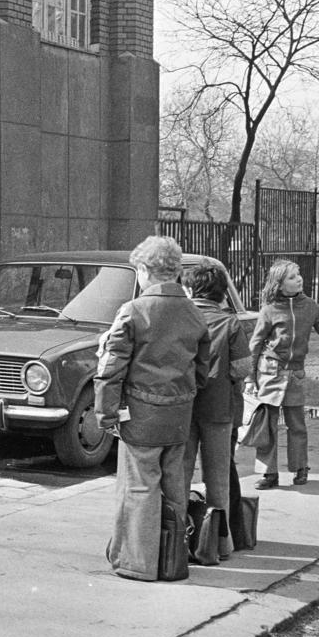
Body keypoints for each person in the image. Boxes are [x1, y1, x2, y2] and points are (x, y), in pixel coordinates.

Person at [94, 236, 213, 581]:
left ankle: (137, 563)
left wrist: (106, 413)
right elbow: (202, 369)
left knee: (139, 486)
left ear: (145, 270)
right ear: (175, 271)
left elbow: (110, 367)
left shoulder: (133, 311)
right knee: (175, 485)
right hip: (179, 414)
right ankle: (172, 561)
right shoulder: (194, 312)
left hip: (141, 416)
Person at [245, 259, 319, 489]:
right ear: (280, 284)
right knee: (268, 425)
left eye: (299, 275)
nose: (299, 279)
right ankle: (269, 473)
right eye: (293, 277)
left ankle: (300, 467)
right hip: (271, 372)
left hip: (295, 374)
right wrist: (249, 377)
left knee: (297, 424)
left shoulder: (311, 306)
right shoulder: (269, 310)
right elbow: (255, 345)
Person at [181, 263, 252, 564]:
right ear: (221, 291)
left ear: (191, 289)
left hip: (183, 408)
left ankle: (179, 541)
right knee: (218, 479)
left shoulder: (181, 320)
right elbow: (242, 368)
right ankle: (220, 544)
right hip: (220, 408)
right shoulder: (230, 323)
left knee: (180, 475)